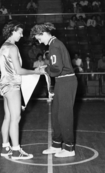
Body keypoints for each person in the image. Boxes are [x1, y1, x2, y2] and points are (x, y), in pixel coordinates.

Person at [30, 22, 78, 158]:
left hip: (66, 82)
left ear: (43, 33)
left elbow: (56, 69)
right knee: (56, 114)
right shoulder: (54, 44)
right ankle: (57, 144)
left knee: (64, 115)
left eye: (38, 38)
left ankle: (69, 148)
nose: (39, 41)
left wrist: (43, 69)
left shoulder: (54, 45)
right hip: (62, 82)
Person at [0, 21, 43, 160]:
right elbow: (18, 71)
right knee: (16, 118)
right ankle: (16, 151)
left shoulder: (2, 47)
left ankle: (6, 147)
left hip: (4, 85)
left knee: (8, 117)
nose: (22, 35)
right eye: (20, 32)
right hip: (12, 85)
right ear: (12, 31)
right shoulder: (12, 47)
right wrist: (36, 72)